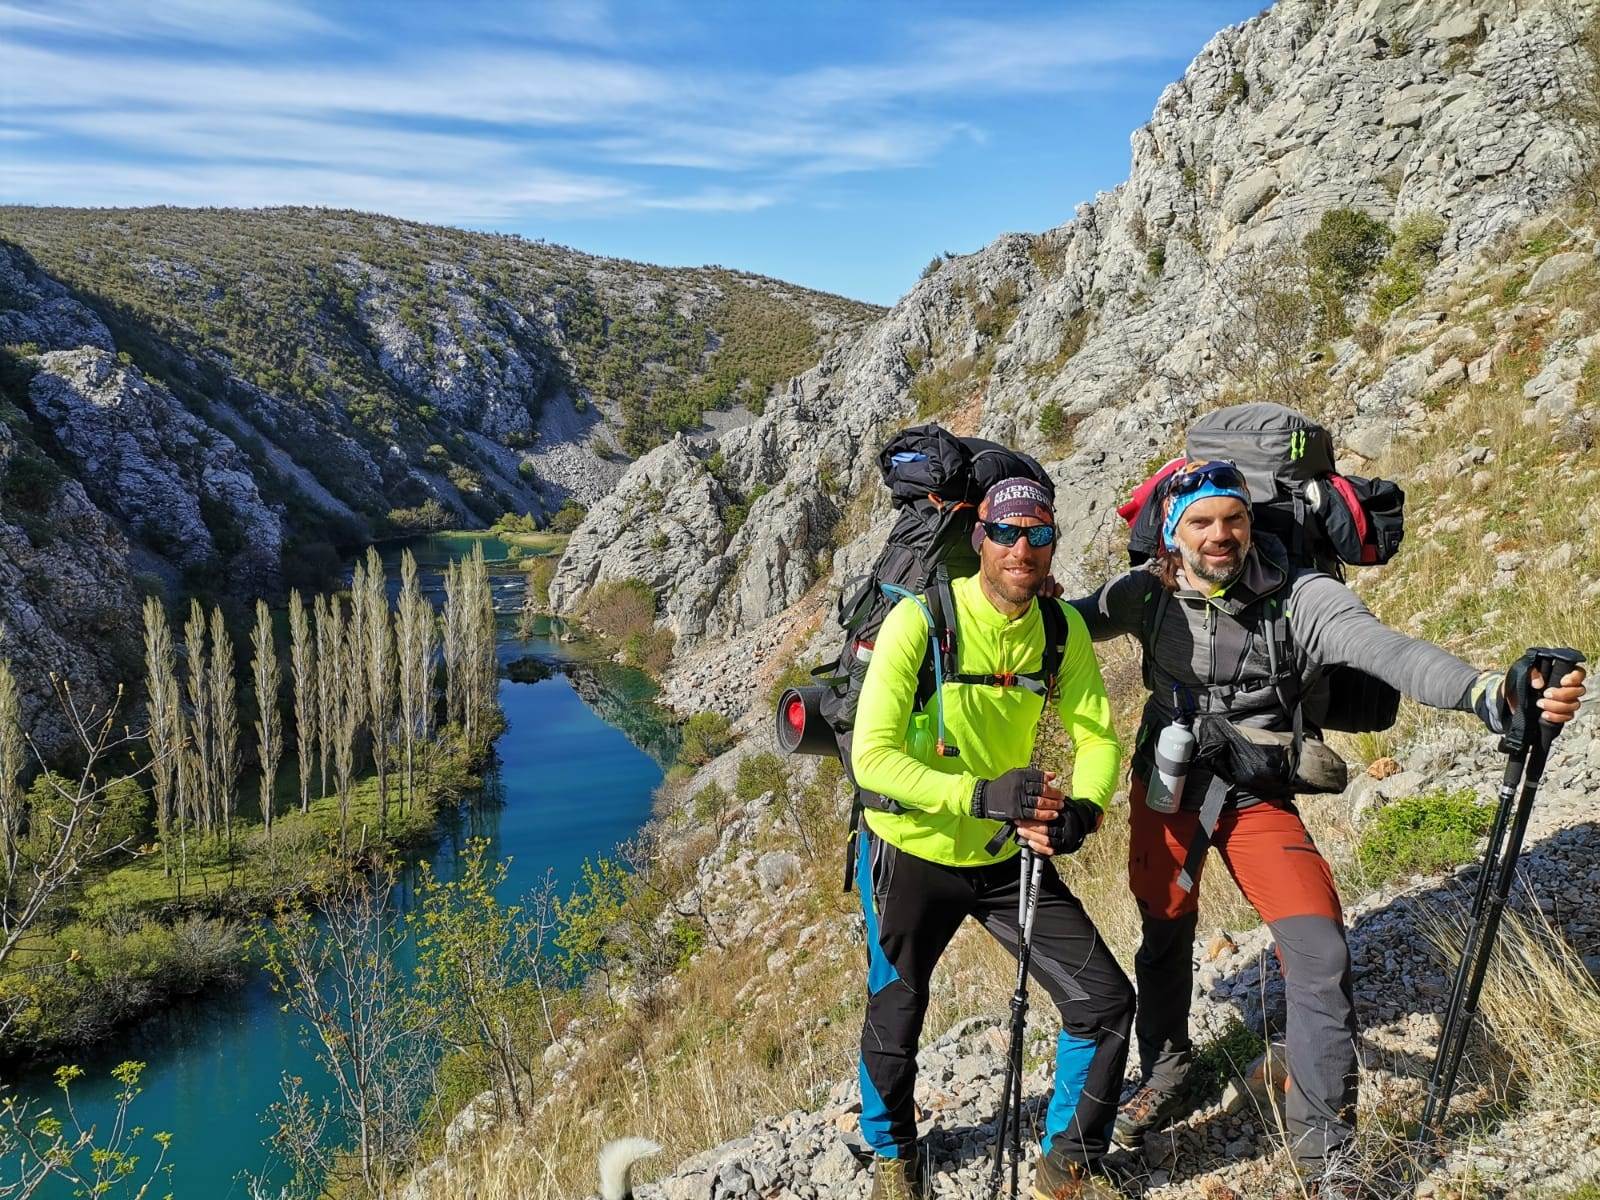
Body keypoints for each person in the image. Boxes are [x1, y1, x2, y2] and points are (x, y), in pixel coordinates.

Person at [1067, 460, 1588, 1194]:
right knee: (1164, 928)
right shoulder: (1142, 593)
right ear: (1169, 532)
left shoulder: (1301, 595)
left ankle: (1326, 1160)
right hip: (1169, 788)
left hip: (1254, 793)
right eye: (1201, 523)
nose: (1222, 536)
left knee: (1319, 952)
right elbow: (1063, 625)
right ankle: (1168, 1066)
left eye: (1234, 519)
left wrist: (1486, 693)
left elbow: (1388, 651)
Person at [850, 475, 1135, 1200]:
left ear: (1051, 545)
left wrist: (1084, 809)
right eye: (1006, 532)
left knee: (1103, 1003)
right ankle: (894, 1155)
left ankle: (1067, 1164)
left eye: (1038, 534)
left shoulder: (1060, 630)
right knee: (899, 1008)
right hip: (908, 850)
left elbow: (1098, 735)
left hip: (1004, 855)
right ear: (980, 539)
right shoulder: (923, 621)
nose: (1022, 548)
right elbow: (871, 755)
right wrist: (976, 794)